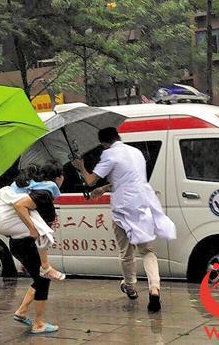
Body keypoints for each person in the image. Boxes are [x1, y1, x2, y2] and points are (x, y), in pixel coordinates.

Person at [73, 127, 176, 313]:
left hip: (122, 208)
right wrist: (105, 188)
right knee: (147, 251)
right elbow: (129, 178)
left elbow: (89, 181)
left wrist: (80, 166)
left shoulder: (108, 154)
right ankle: (154, 288)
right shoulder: (135, 152)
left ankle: (130, 286)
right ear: (118, 136)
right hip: (143, 203)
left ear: (103, 143)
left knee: (126, 251)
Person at [0, 161, 64, 334]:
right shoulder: (43, 193)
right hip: (23, 242)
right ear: (59, 177)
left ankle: (22, 312)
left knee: (39, 278)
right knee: (43, 279)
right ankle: (38, 323)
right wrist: (32, 228)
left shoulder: (33, 189)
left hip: (18, 242)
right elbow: (19, 206)